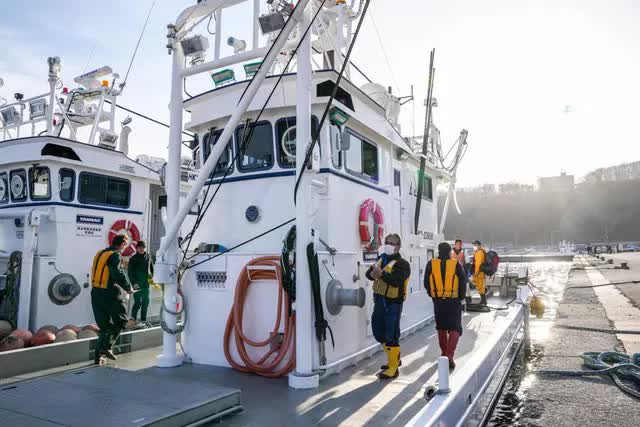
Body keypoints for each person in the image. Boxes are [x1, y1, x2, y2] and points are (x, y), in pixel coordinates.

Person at [365, 233, 411, 380]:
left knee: (391, 335)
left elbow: (396, 281)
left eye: (392, 243)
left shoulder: (402, 264)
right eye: (386, 242)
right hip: (379, 301)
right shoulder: (381, 258)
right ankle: (394, 359)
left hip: (393, 304)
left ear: (398, 246)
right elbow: (368, 274)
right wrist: (372, 273)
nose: (388, 244)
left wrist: (381, 274)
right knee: (378, 332)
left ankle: (393, 368)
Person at [90, 234, 133, 363]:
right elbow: (117, 273)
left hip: (95, 293)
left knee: (104, 327)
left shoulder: (100, 253)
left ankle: (98, 358)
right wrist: (128, 287)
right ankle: (106, 347)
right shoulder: (115, 255)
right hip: (109, 293)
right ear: (123, 245)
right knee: (122, 321)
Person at [425, 242, 467, 369]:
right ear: (450, 252)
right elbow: (462, 283)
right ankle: (449, 356)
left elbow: (426, 282)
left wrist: (433, 295)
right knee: (456, 328)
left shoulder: (431, 264)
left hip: (438, 301)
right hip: (453, 301)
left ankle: (444, 354)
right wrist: (460, 298)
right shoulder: (456, 264)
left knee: (441, 327)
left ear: (438, 251)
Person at [128, 241, 154, 324]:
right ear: (137, 248)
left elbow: (152, 270)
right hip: (137, 285)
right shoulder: (133, 258)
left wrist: (151, 277)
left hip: (146, 284)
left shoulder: (149, 257)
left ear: (145, 248)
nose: (141, 249)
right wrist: (134, 283)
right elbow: (130, 273)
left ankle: (143, 320)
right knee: (137, 303)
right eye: (139, 247)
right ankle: (133, 320)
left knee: (145, 303)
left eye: (143, 247)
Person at [471, 240, 487, 306]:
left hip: (479, 272)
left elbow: (478, 264)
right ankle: (484, 297)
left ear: (478, 245)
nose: (474, 246)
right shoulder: (482, 251)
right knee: (480, 285)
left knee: (480, 286)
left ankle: (483, 301)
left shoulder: (478, 253)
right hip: (482, 271)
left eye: (475, 245)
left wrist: (476, 273)